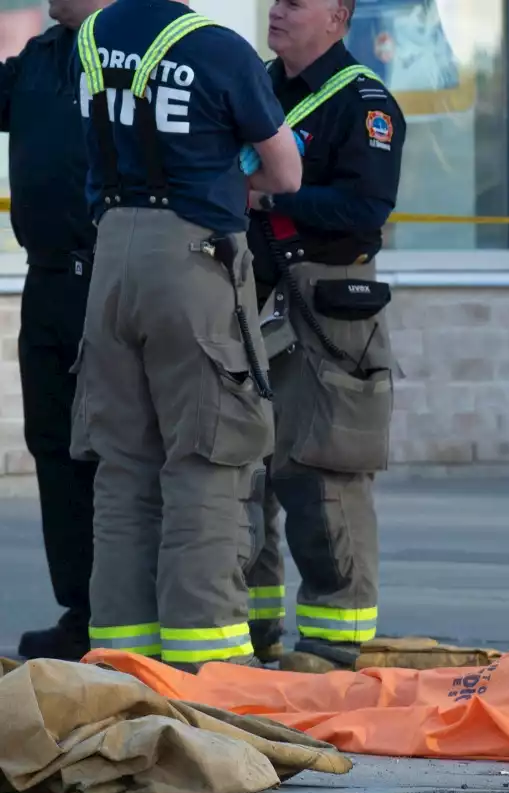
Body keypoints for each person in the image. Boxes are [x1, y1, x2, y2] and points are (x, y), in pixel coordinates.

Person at [70, 0, 303, 670]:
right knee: (208, 456)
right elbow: (285, 172)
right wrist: (241, 188)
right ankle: (208, 664)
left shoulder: (94, 38)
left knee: (123, 468)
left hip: (111, 260)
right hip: (192, 260)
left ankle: (120, 662)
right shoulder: (216, 47)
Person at [243, 0, 404, 669]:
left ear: (338, 17)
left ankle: (334, 641)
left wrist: (271, 198)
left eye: (294, 3)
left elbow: (365, 210)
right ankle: (252, 631)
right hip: (247, 300)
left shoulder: (363, 103)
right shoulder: (252, 86)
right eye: (274, 1)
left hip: (325, 308)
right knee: (243, 473)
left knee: (321, 474)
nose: (277, 12)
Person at [0, 0, 112, 662]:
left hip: (111, 280)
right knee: (54, 445)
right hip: (47, 282)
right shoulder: (41, 59)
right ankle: (83, 611)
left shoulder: (134, 48)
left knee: (112, 452)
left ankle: (121, 615)